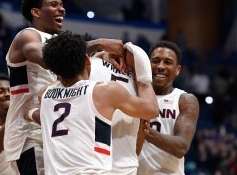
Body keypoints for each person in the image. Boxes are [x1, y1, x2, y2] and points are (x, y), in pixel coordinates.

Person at [4, 0, 124, 174]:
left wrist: (99, 57)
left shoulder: (60, 42)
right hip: (31, 134)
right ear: (36, 12)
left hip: (58, 132)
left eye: (62, 5)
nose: (62, 9)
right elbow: (51, 58)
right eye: (53, 5)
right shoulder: (28, 35)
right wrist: (99, 44)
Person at [37, 30, 158, 174]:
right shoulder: (103, 91)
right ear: (87, 60)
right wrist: (143, 80)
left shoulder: (45, 95)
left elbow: (59, 75)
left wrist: (98, 55)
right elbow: (151, 109)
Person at [137, 41, 200, 174]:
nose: (160, 66)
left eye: (167, 62)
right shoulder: (133, 95)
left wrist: (145, 131)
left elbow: (181, 147)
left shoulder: (185, 100)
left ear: (177, 70)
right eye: (155, 61)